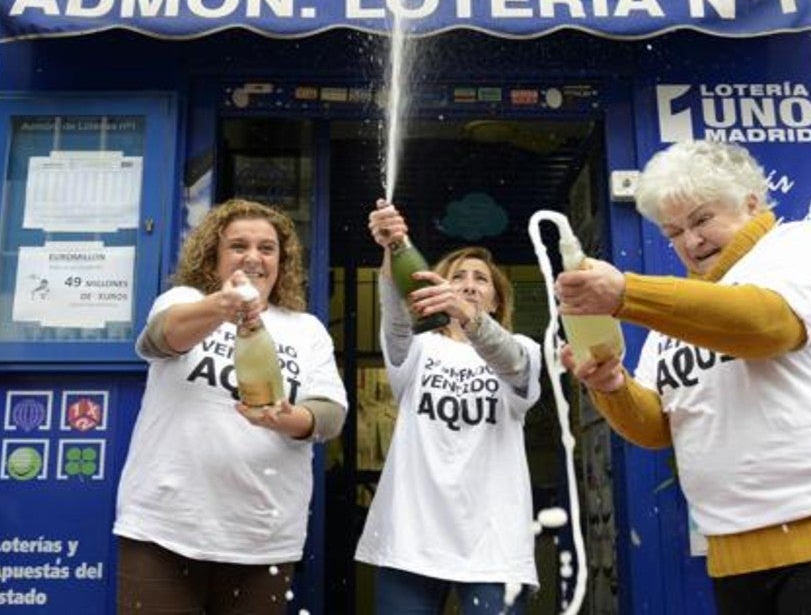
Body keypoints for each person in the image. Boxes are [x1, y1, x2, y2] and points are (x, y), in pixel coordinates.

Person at [556, 140, 811, 614]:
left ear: (751, 203)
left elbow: (768, 325)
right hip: (736, 552)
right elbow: (657, 429)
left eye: (701, 220)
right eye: (673, 232)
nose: (690, 242)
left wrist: (625, 293)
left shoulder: (801, 245)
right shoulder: (681, 315)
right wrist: (611, 386)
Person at [113, 198, 348, 615]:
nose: (253, 257)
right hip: (164, 527)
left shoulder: (305, 329)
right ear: (214, 256)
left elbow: (330, 414)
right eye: (238, 246)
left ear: (282, 260)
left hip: (263, 536)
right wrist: (221, 307)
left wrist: (289, 418)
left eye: (267, 248)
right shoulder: (184, 300)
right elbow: (159, 339)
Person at [355, 200, 543, 614]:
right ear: (435, 291)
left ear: (495, 301)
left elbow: (509, 359)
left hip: (493, 548)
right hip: (410, 540)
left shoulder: (524, 350)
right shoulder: (417, 351)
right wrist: (393, 244)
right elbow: (396, 316)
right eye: (458, 277)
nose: (470, 284)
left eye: (481, 279)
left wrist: (468, 317)